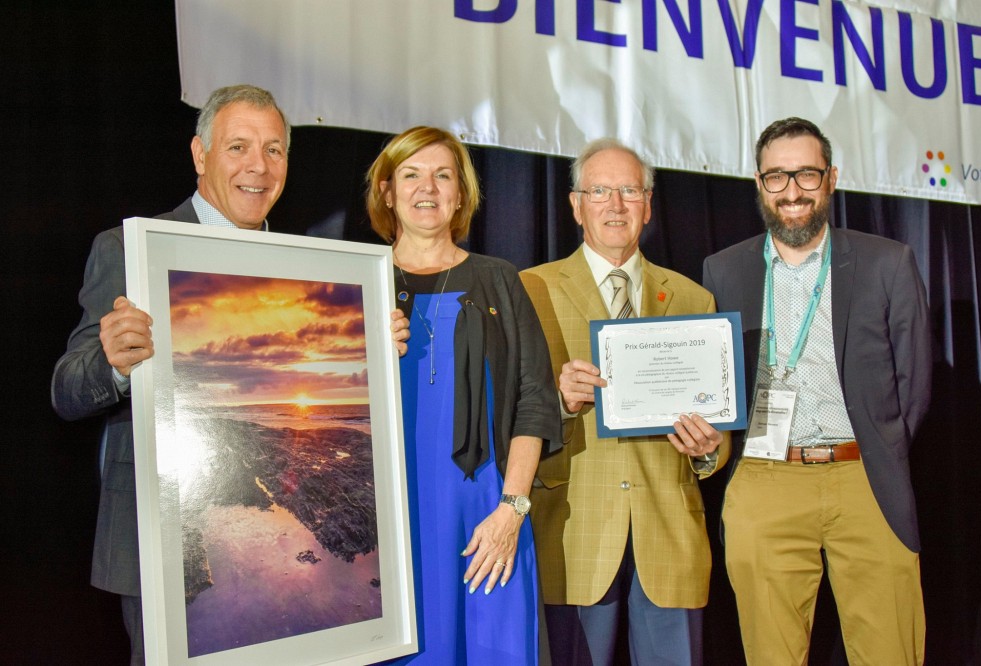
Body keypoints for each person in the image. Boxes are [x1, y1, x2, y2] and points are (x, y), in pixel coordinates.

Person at [50, 84, 409, 665]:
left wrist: (377, 352)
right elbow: (66, 391)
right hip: (156, 550)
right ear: (200, 154)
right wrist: (112, 364)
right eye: (238, 146)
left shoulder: (316, 268)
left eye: (274, 150)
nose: (257, 167)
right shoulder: (128, 249)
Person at [702, 117, 932, 665]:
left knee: (891, 652)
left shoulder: (886, 262)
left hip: (865, 479)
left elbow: (914, 384)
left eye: (806, 174)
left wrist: (881, 450)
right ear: (759, 184)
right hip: (764, 479)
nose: (793, 192)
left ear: (831, 179)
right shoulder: (723, 270)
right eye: (777, 177)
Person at [520, 138, 731, 666]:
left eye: (629, 191)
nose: (616, 205)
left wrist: (707, 449)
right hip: (573, 535)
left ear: (649, 204)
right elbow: (505, 418)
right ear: (575, 204)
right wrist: (560, 404)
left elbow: (718, 430)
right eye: (600, 191)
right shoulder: (531, 290)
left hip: (669, 535)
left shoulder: (693, 299)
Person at [366, 126, 562, 665]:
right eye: (410, 174)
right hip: (388, 518)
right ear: (387, 191)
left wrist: (512, 510)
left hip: (487, 517)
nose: (426, 187)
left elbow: (535, 401)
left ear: (460, 195)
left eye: (442, 175)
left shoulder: (499, 279)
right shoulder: (358, 283)